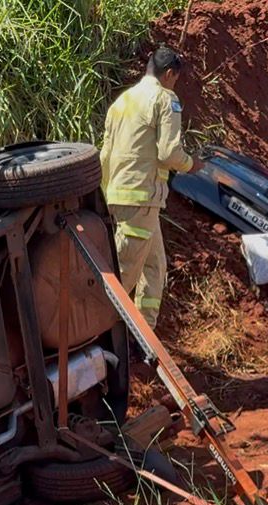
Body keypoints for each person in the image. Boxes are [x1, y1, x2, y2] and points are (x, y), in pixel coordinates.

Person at [99, 45, 204, 328]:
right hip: (141, 200)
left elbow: (105, 155)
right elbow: (169, 154)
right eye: (175, 79)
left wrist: (106, 193)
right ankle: (97, 333)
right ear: (170, 74)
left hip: (121, 196)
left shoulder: (122, 101)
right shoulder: (165, 98)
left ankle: (144, 334)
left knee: (154, 267)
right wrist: (191, 164)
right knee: (125, 274)